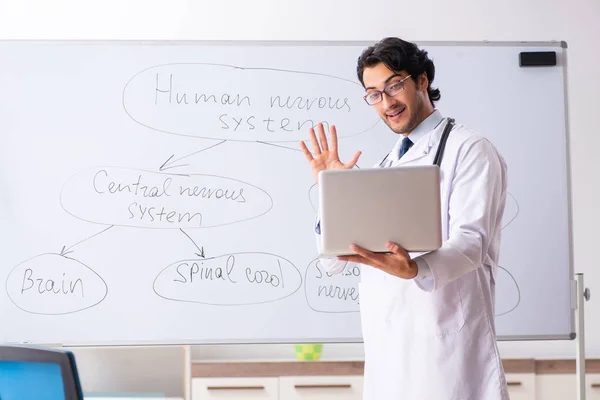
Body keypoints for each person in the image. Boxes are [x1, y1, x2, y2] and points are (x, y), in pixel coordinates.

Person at [299, 37, 510, 400]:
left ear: (422, 81)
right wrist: (331, 190)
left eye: (394, 85)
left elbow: (472, 241)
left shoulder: (470, 150)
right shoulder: (387, 167)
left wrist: (416, 269)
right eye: (374, 94)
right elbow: (333, 262)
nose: (386, 102)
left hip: (448, 354)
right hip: (388, 353)